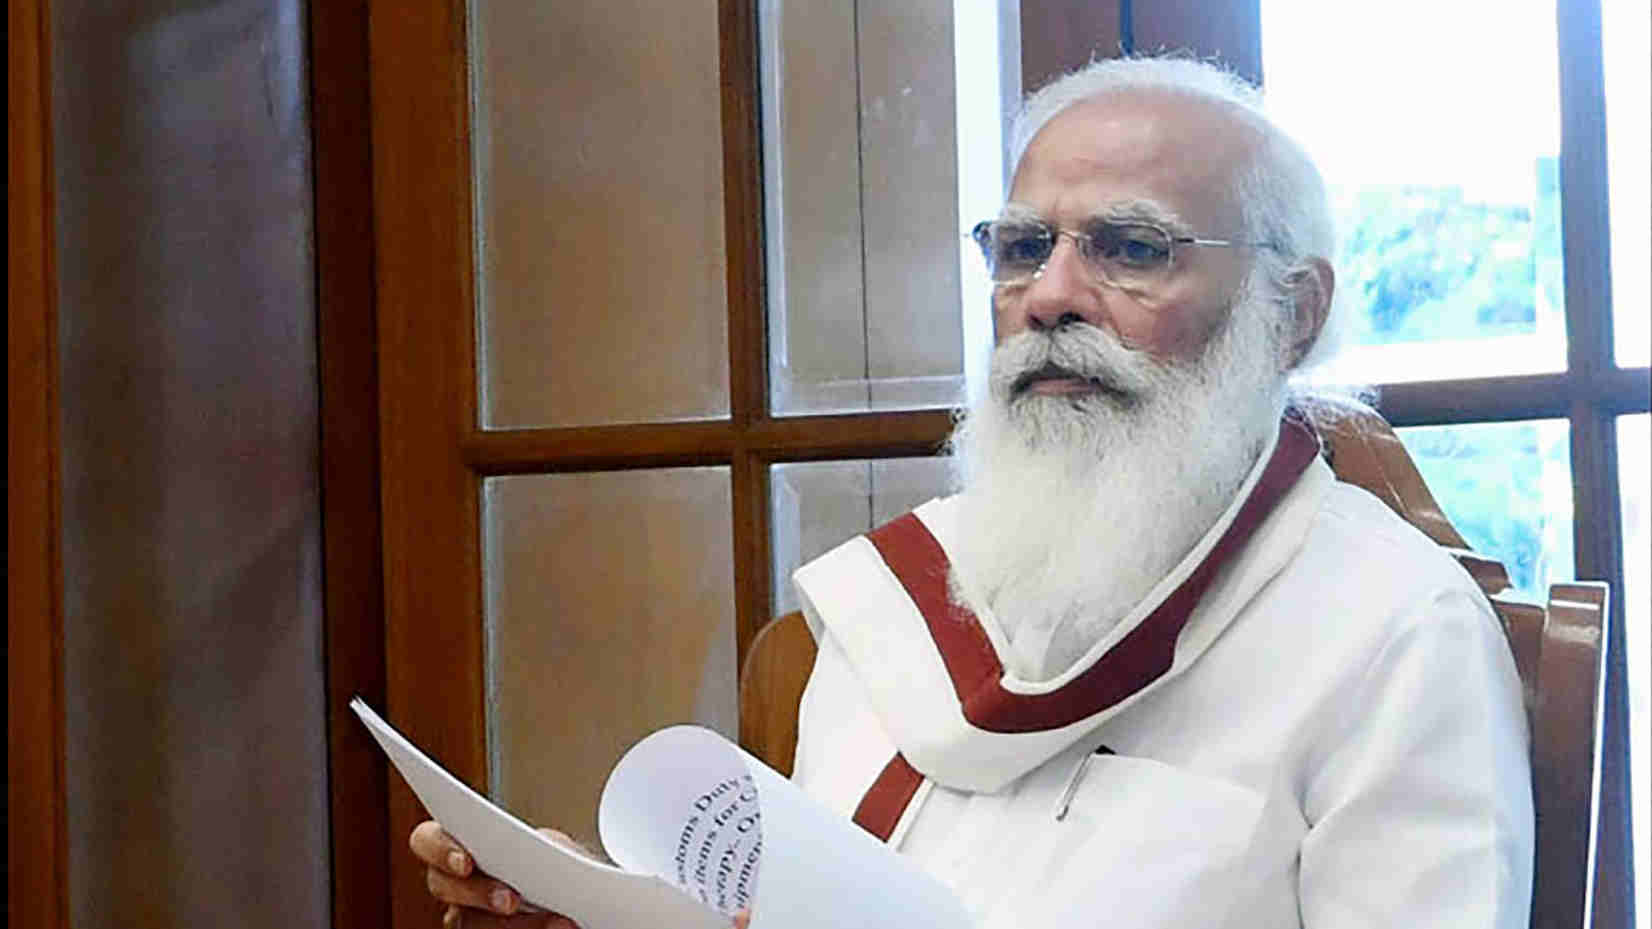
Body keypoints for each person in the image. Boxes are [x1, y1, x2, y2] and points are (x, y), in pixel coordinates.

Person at [410, 55, 1532, 927]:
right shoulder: (896, 601)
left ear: (1290, 311)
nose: (1049, 294)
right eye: (1021, 246)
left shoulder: (1392, 632)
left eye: (1131, 248)